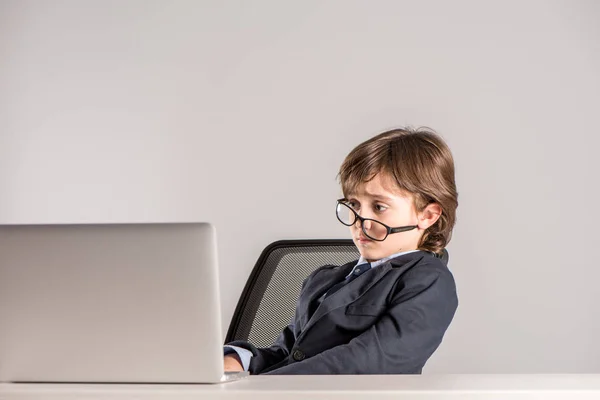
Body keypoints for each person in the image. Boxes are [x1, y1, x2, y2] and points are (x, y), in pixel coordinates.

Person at [224, 127, 459, 374]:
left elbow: (367, 362)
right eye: (354, 204)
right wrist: (239, 360)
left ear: (428, 215)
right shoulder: (323, 280)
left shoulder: (428, 280)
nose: (360, 220)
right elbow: (288, 353)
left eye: (379, 207)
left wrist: (262, 388)